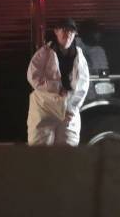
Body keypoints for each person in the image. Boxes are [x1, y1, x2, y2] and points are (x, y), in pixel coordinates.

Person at [27, 18, 90, 146]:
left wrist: (72, 106)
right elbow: (33, 76)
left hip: (68, 111)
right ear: (56, 31)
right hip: (44, 109)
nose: (68, 35)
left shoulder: (79, 55)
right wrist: (57, 88)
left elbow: (83, 84)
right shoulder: (44, 52)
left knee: (67, 151)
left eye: (71, 32)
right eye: (64, 31)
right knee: (40, 150)